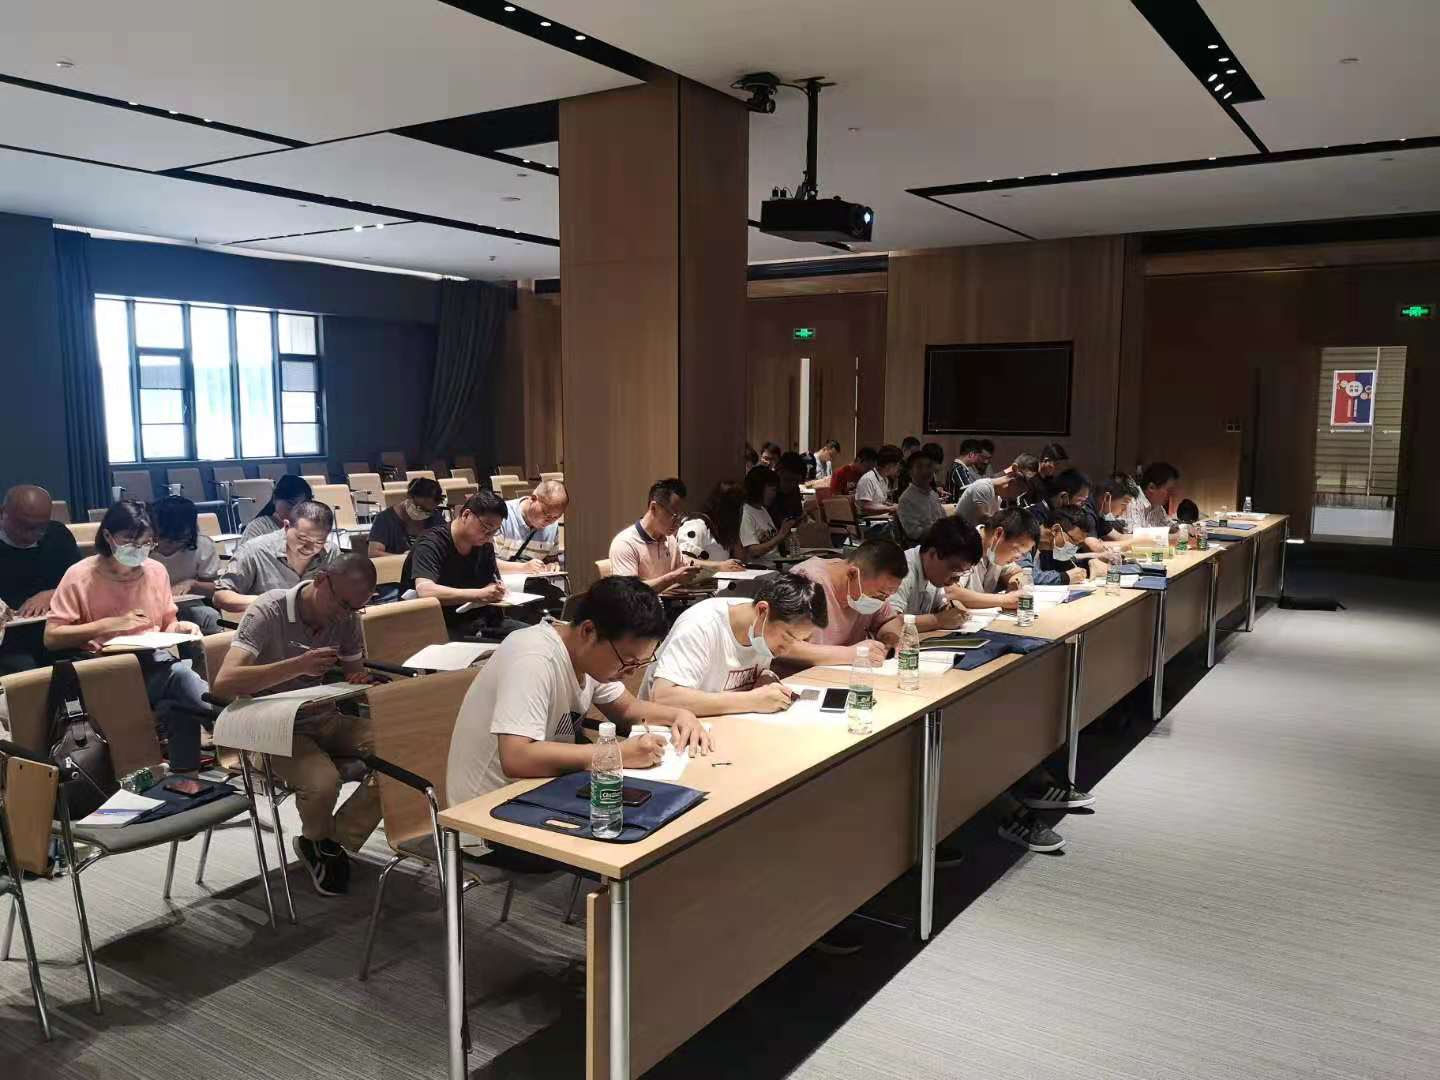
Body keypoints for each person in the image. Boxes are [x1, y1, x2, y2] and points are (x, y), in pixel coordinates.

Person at [446, 576, 711, 866]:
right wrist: (616, 754)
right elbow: (516, 757)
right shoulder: (533, 657)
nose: (631, 672)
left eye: (640, 663)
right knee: (641, 843)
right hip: (490, 817)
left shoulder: (586, 657)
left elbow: (627, 709)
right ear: (588, 631)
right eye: (628, 661)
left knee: (666, 819)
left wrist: (680, 715)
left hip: (542, 793)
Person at [213, 555, 383, 896]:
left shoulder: (347, 617)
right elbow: (224, 683)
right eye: (343, 604)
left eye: (356, 608)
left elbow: (354, 671)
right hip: (268, 727)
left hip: (322, 716)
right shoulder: (269, 610)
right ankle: (320, 840)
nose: (346, 614)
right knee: (323, 783)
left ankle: (332, 840)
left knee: (403, 750)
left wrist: (360, 680)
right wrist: (296, 666)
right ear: (321, 581)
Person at [44, 501, 209, 772]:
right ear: (108, 536)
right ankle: (230, 719)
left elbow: (166, 623)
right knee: (180, 678)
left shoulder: (156, 571)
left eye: (146, 543)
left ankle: (186, 778)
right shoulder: (80, 575)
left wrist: (181, 628)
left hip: (152, 659)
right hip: (103, 667)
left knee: (179, 701)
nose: (138, 549)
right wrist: (108, 625)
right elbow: (52, 637)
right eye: (130, 541)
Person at [647, 572, 827, 716]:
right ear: (762, 611)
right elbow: (664, 698)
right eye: (787, 637)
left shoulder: (760, 629)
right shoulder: (702, 625)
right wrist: (752, 700)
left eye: (798, 640)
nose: (786, 650)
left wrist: (765, 678)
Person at [402, 491, 515, 634]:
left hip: (480, 622)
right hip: (436, 627)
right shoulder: (431, 543)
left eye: (495, 531)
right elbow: (425, 590)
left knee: (533, 636)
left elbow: (492, 581)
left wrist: (496, 590)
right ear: (466, 515)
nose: (489, 537)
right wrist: (479, 594)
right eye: (486, 528)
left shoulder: (484, 545)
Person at [785, 541, 907, 666]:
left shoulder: (874, 586)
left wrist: (889, 639)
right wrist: (851, 654)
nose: (881, 600)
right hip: (801, 674)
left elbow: (888, 621)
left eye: (886, 596)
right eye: (879, 595)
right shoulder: (806, 582)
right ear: (852, 574)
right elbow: (783, 646)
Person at [0, 485, 80, 674]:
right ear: (3, 513)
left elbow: (82, 581)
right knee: (26, 670)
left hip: (56, 631)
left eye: (40, 527)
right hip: (9, 641)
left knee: (86, 666)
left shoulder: (57, 536)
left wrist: (54, 593)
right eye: (23, 526)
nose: (32, 534)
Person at [213, 500, 338, 614]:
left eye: (318, 542)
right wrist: (269, 602)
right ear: (286, 526)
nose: (309, 548)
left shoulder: (330, 551)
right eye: (302, 539)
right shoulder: (255, 550)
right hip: (269, 626)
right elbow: (220, 596)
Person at [608, 479, 705, 594]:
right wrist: (672, 578)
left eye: (681, 517)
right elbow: (629, 592)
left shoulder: (669, 539)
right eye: (674, 516)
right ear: (654, 508)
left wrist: (716, 567)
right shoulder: (625, 543)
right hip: (645, 605)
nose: (678, 523)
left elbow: (683, 566)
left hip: (672, 602)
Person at [150, 495, 223, 635]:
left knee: (210, 617)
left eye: (177, 540)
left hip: (187, 605)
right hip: (150, 607)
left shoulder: (201, 545)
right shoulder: (142, 548)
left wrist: (193, 584)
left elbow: (218, 589)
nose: (168, 546)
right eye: (163, 538)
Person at [895, 517, 982, 632]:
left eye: (962, 572)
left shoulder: (934, 574)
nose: (957, 580)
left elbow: (940, 605)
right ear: (932, 554)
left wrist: (948, 609)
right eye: (954, 569)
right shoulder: (900, 571)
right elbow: (889, 623)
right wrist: (937, 621)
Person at [948, 508, 1040, 612]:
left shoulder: (995, 550)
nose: (1018, 557)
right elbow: (950, 591)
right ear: (998, 534)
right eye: (1017, 550)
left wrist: (1015, 583)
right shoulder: (963, 544)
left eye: (1023, 553)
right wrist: (1004, 600)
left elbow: (1016, 572)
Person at [494, 479, 568, 573]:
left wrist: (552, 565)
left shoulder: (553, 526)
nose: (549, 521)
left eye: (556, 517)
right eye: (546, 513)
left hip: (533, 580)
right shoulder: (501, 515)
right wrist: (523, 568)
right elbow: (486, 563)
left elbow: (551, 559)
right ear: (533, 499)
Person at [367, 477, 445, 557]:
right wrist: (403, 558)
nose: (422, 512)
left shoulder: (435, 518)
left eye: (427, 511)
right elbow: (373, 553)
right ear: (409, 496)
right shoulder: (384, 519)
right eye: (419, 507)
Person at [678, 483, 747, 567]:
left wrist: (734, 532)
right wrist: (719, 566)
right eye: (739, 510)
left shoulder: (722, 529)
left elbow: (741, 558)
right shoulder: (697, 525)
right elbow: (684, 560)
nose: (741, 514)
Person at [238, 474, 314, 548]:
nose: (295, 511)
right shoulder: (257, 528)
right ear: (275, 499)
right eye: (290, 504)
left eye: (301, 506)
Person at [738, 466, 791, 566]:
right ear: (759, 489)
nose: (774, 494)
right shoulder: (746, 513)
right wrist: (780, 536)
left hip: (775, 565)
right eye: (772, 490)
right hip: (760, 569)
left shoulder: (762, 509)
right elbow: (753, 551)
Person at [955, 468, 1036, 527]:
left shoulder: (997, 499)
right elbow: (983, 520)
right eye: (1019, 492)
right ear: (1012, 482)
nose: (1017, 496)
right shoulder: (983, 487)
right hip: (960, 536)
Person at [897, 452, 946, 542]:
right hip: (923, 546)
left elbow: (944, 520)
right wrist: (940, 529)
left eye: (929, 466)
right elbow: (914, 533)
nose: (925, 471)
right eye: (919, 467)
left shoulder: (933, 494)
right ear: (910, 472)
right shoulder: (906, 499)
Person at [1126, 462, 1181, 530]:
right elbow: (1137, 533)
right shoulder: (1133, 502)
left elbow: (1168, 525)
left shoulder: (1157, 506)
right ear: (1151, 488)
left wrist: (1182, 526)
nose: (1172, 494)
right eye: (1169, 490)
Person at [855, 445, 902, 516]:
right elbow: (865, 506)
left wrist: (890, 505)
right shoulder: (868, 479)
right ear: (889, 465)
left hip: (881, 518)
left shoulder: (885, 479)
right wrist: (890, 508)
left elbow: (879, 502)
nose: (899, 468)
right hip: (869, 520)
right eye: (898, 465)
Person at [773, 451, 810, 527]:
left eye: (796, 481)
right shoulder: (767, 493)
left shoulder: (795, 490)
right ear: (778, 472)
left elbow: (798, 516)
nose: (792, 485)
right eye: (788, 480)